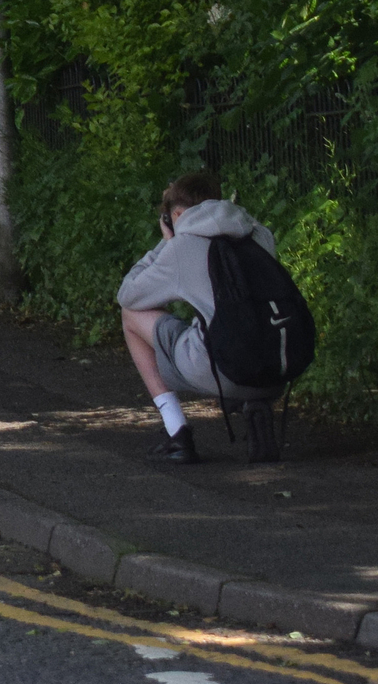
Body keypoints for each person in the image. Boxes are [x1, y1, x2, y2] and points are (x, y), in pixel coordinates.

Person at [116, 171, 277, 464]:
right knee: (246, 323)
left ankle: (177, 432)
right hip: (278, 366)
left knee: (130, 315)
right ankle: (254, 404)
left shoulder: (183, 247)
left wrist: (167, 243)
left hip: (222, 371)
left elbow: (128, 295)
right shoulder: (259, 233)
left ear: (176, 214)